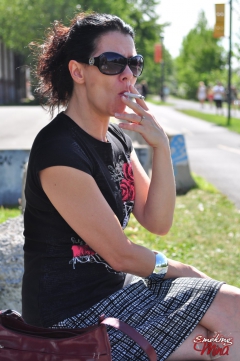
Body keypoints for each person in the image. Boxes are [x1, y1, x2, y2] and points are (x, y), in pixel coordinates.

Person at [22, 12, 240, 361]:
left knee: (225, 334)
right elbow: (120, 254)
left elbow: (158, 221)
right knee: (224, 330)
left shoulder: (117, 138)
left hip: (118, 296)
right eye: (111, 63)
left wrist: (160, 147)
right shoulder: (59, 150)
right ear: (78, 72)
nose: (127, 75)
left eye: (133, 63)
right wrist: (183, 271)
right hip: (69, 320)